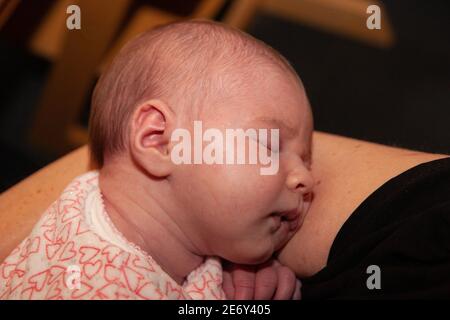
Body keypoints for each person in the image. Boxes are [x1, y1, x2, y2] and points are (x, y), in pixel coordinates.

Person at [0, 20, 312, 299]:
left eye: (305, 160)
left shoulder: (93, 205)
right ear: (159, 140)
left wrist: (231, 268)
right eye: (269, 144)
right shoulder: (97, 288)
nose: (306, 179)